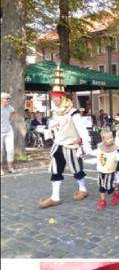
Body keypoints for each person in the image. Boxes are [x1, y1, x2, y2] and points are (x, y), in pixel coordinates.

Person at [39, 67, 93, 209]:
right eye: (53, 97)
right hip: (58, 144)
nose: (54, 99)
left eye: (56, 97)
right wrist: (51, 125)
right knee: (56, 169)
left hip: (71, 144)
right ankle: (55, 197)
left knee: (76, 169)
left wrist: (86, 143)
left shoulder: (73, 111)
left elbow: (81, 128)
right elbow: (56, 123)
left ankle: (83, 189)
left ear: (62, 97)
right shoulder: (55, 109)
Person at [92, 129, 119, 211]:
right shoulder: (100, 147)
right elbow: (94, 153)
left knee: (109, 189)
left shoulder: (116, 148)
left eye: (111, 137)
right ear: (103, 140)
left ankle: (115, 193)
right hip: (101, 170)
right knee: (101, 187)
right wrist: (85, 150)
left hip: (110, 171)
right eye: (108, 138)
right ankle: (102, 201)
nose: (110, 139)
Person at [1, 92, 16, 176]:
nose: (8, 100)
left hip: (9, 131)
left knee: (10, 150)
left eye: (8, 99)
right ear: (1, 99)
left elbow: (14, 113)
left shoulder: (10, 107)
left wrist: (10, 121)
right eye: (6, 98)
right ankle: (1, 170)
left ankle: (10, 168)